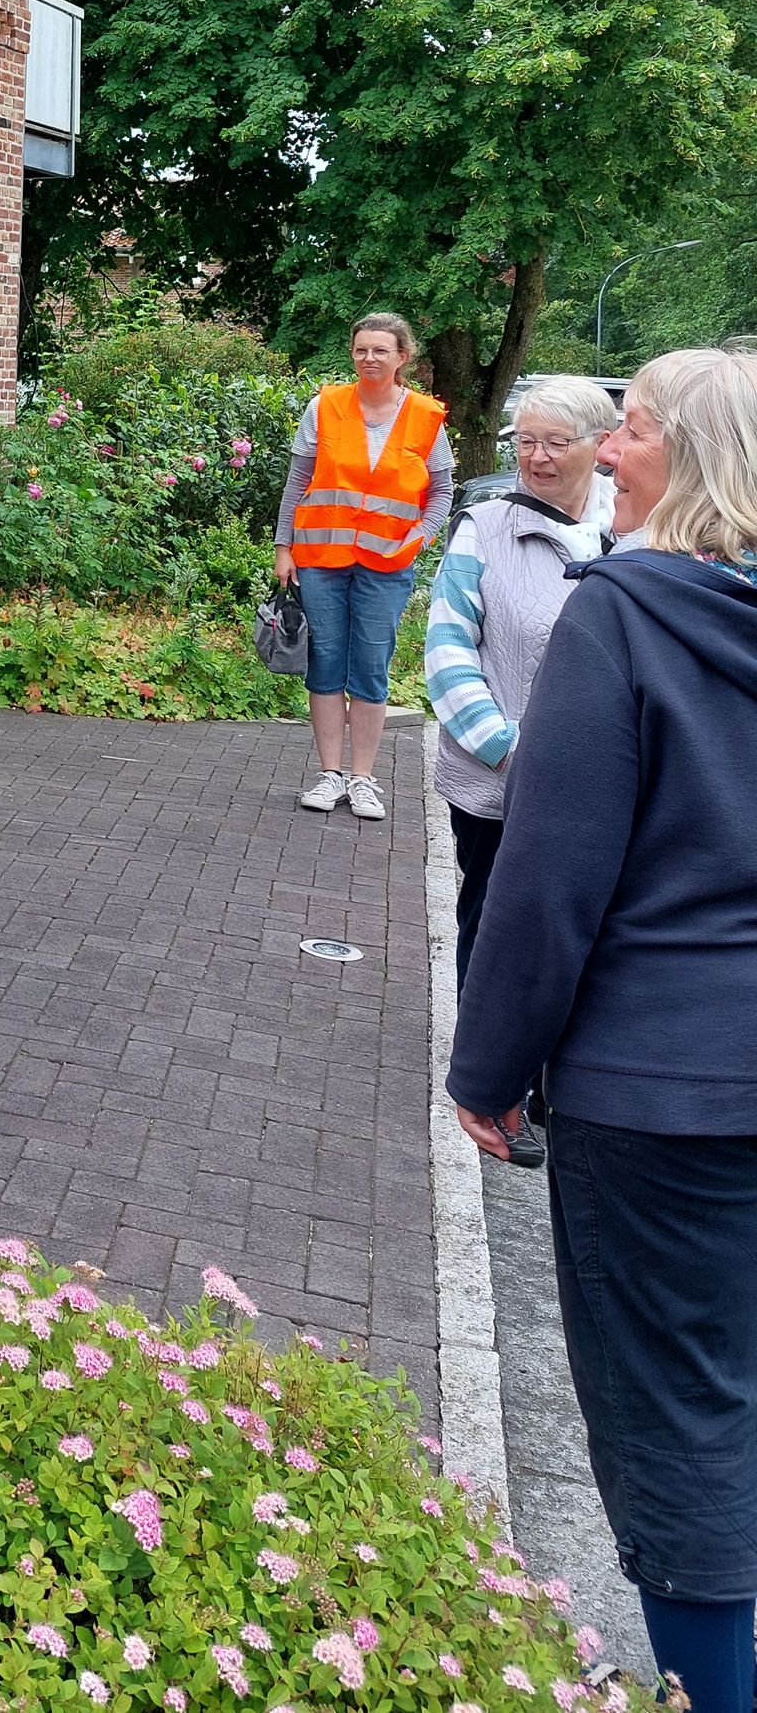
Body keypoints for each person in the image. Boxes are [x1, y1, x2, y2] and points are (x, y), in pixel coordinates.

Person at [448, 350, 757, 1713]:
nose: (604, 449)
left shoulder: (622, 618)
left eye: (627, 426)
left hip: (662, 1093)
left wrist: (488, 1065)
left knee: (675, 1415)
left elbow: (550, 875)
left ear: (681, 457)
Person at [425, 374, 616, 1005]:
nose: (537, 457)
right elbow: (447, 649)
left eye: (557, 442)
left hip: (602, 785)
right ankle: (482, 1073)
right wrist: (508, 750)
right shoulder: (484, 528)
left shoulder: (639, 527)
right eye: (526, 441)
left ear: (600, 443)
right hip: (498, 779)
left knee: (585, 937)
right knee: (491, 928)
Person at [274, 312, 453, 819]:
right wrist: (282, 546)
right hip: (322, 558)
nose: (369, 358)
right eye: (360, 350)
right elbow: (297, 482)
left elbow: (441, 491)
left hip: (387, 565)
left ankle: (363, 779)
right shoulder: (325, 406)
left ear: (403, 357)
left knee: (371, 666)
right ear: (352, 354)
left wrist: (417, 538)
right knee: (326, 660)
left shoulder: (424, 416)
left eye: (380, 350)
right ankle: (330, 775)